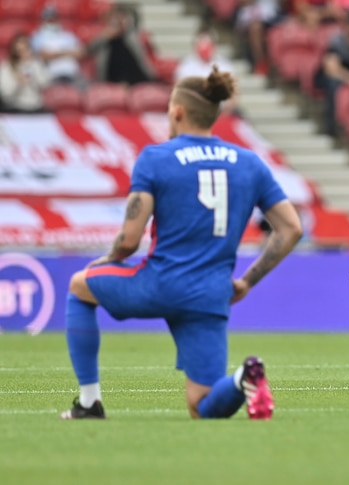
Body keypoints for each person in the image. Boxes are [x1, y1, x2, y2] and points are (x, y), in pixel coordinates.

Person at [60, 66, 304, 419]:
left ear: (176, 111)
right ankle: (242, 379)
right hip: (210, 293)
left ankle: (88, 403)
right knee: (202, 404)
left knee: (79, 286)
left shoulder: (156, 158)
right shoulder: (249, 162)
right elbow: (291, 228)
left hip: (159, 283)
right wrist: (247, 281)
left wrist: (108, 259)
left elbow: (129, 240)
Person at [87, 5, 157, 85]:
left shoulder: (133, 36)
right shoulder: (104, 37)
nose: (118, 22)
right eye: (116, 19)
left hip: (136, 76)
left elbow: (143, 59)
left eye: (122, 18)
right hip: (112, 78)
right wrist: (106, 36)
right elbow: (88, 49)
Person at [30, 5, 86, 86]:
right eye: (48, 20)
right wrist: (68, 52)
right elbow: (44, 55)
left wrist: (55, 53)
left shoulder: (68, 36)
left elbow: (81, 52)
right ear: (43, 20)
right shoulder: (37, 37)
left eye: (53, 19)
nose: (51, 22)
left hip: (72, 74)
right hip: (51, 76)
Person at [0, 34, 50, 113]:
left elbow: (44, 84)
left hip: (36, 106)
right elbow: (6, 93)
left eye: (25, 47)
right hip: (15, 107)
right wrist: (18, 83)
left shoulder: (36, 63)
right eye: (20, 48)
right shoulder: (7, 66)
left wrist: (31, 64)